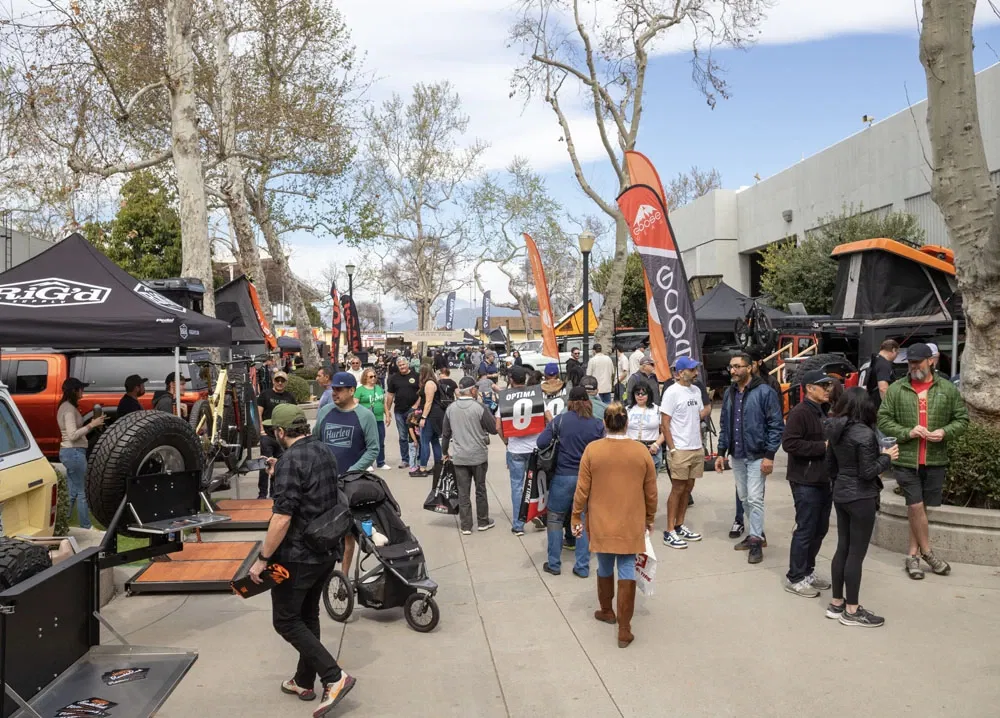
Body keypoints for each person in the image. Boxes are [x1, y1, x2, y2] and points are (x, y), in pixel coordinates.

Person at [249, 404, 356, 713]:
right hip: (324, 549)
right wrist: (278, 472)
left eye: (273, 431)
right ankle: (303, 681)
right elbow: (309, 490)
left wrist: (262, 559)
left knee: (285, 620)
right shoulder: (324, 451)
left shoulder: (289, 461)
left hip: (296, 555)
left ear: (281, 432)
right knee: (308, 617)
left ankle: (334, 677)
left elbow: (282, 518)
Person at [878, 342, 968, 579]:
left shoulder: (947, 390)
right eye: (910, 362)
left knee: (920, 509)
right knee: (916, 505)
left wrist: (945, 432)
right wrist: (908, 432)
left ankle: (912, 556)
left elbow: (962, 419)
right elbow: (883, 420)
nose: (914, 366)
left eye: (918, 361)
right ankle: (928, 553)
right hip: (906, 460)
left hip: (935, 458)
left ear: (932, 361)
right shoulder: (897, 389)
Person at [572, 402, 657, 648]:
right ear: (626, 423)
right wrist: (650, 518)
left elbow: (582, 490)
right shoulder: (640, 451)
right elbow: (651, 491)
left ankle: (606, 610)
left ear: (604, 423)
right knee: (627, 567)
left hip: (600, 520)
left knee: (604, 565)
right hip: (630, 521)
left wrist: (576, 516)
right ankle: (624, 629)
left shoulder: (592, 450)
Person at [825, 388, 897, 628]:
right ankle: (852, 610)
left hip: (841, 493)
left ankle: (837, 603)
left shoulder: (836, 429)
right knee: (856, 553)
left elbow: (830, 465)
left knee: (843, 547)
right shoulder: (864, 434)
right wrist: (887, 457)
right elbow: (868, 472)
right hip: (861, 496)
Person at [716, 352, 784, 565]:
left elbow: (776, 425)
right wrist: (720, 452)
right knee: (744, 498)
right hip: (737, 455)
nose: (733, 371)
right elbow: (725, 423)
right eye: (731, 367)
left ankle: (755, 541)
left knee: (754, 498)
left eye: (737, 366)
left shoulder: (765, 392)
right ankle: (758, 534)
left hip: (757, 455)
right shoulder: (729, 393)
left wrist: (770, 456)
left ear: (750, 367)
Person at [535, 386, 605, 577]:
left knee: (556, 518)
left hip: (563, 476)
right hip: (587, 478)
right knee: (582, 519)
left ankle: (554, 564)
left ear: (570, 402)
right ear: (588, 402)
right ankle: (582, 567)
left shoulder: (561, 420)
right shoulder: (597, 424)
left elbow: (541, 442)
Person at [782, 370, 835, 597]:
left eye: (828, 385)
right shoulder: (800, 413)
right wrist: (822, 447)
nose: (827, 389)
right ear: (809, 388)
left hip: (824, 479)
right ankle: (795, 577)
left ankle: (808, 571)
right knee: (805, 528)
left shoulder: (824, 411)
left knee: (820, 529)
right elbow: (790, 444)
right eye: (823, 385)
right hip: (805, 480)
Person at [442, 376, 499, 535]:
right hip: (478, 456)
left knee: (463, 491)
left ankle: (466, 525)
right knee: (480, 489)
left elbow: (445, 434)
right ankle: (483, 521)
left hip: (460, 457)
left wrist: (444, 452)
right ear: (473, 390)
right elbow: (494, 429)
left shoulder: (451, 409)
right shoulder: (479, 408)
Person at [660, 357, 706, 549]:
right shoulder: (671, 392)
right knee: (677, 488)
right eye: (692, 369)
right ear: (680, 373)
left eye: (696, 369)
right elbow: (665, 422)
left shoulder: (695, 391)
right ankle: (669, 530)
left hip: (696, 447)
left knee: (688, 488)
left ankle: (680, 524)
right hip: (680, 449)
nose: (696, 372)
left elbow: (697, 415)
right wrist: (672, 448)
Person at [496, 366, 540, 536]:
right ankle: (535, 514)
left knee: (517, 486)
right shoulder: (536, 396)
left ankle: (518, 524)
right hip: (534, 447)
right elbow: (549, 419)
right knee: (535, 485)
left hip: (515, 448)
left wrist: (506, 441)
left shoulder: (505, 399)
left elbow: (498, 426)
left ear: (511, 380)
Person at [57, 378, 104, 529]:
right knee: (83, 491)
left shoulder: (65, 407)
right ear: (74, 391)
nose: (82, 391)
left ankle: (63, 522)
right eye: (80, 389)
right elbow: (72, 435)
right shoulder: (69, 410)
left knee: (73, 491)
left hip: (69, 452)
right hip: (74, 452)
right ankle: (86, 526)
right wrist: (92, 424)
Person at [314, 372, 380, 474]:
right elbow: (315, 441)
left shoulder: (366, 416)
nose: (334, 393)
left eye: (339, 389)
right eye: (333, 389)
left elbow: (373, 449)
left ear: (351, 390)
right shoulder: (325, 411)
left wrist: (352, 471)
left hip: (352, 481)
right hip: (325, 477)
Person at [257, 370, 298, 499]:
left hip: (283, 437)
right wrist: (261, 431)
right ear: (273, 381)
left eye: (282, 381)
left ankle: (274, 494)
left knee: (280, 466)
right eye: (277, 380)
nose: (280, 383)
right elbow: (258, 414)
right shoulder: (265, 395)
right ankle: (262, 494)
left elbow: (294, 415)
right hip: (268, 436)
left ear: (286, 382)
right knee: (264, 465)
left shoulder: (289, 397)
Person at [385, 357, 421, 471]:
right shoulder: (394, 378)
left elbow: (422, 392)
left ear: (408, 364)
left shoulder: (416, 375)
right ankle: (405, 459)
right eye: (400, 365)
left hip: (413, 411)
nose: (402, 367)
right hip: (399, 411)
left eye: (404, 364)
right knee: (402, 436)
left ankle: (417, 459)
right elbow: (390, 395)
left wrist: (416, 405)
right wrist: (388, 411)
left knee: (415, 436)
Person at [415, 366, 445, 477]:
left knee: (424, 442)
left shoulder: (429, 384)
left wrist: (423, 417)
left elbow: (428, 402)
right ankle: (438, 466)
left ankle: (423, 467)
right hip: (437, 415)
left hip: (431, 416)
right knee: (435, 441)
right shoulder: (434, 382)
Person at [355, 368, 388, 470]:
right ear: (365, 377)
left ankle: (381, 462)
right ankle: (367, 463)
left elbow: (383, 402)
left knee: (380, 441)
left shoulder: (378, 388)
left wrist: (387, 414)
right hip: (366, 421)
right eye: (370, 377)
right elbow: (355, 404)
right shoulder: (360, 390)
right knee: (366, 442)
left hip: (378, 419)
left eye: (374, 376)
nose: (373, 378)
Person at [626, 384, 664, 469]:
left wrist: (657, 444)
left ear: (649, 394)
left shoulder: (657, 409)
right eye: (637, 393)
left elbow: (665, 430)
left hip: (652, 448)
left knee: (650, 480)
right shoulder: (627, 410)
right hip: (632, 448)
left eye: (643, 393)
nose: (640, 396)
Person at [870, 339, 899, 406]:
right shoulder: (883, 364)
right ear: (893, 350)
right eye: (897, 353)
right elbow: (883, 388)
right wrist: (889, 407)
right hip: (877, 405)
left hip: (869, 403)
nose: (896, 356)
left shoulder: (874, 360)